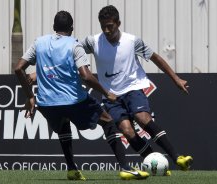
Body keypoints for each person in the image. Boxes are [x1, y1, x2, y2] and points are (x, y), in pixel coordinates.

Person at [15, 10, 149, 180]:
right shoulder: (74, 44)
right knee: (107, 121)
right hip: (74, 100)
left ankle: (72, 169)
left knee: (63, 126)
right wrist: (107, 93)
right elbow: (86, 76)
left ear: (53, 27)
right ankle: (125, 167)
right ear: (72, 28)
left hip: (47, 103)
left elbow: (18, 68)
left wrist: (30, 97)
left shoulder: (39, 43)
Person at [81, 5, 193, 173]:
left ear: (118, 23)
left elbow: (155, 58)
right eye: (103, 26)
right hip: (110, 96)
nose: (106, 30)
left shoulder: (132, 41)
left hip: (133, 88)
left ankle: (177, 157)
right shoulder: (93, 41)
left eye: (110, 26)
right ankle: (157, 164)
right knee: (127, 131)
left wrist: (176, 79)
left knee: (142, 118)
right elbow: (72, 52)